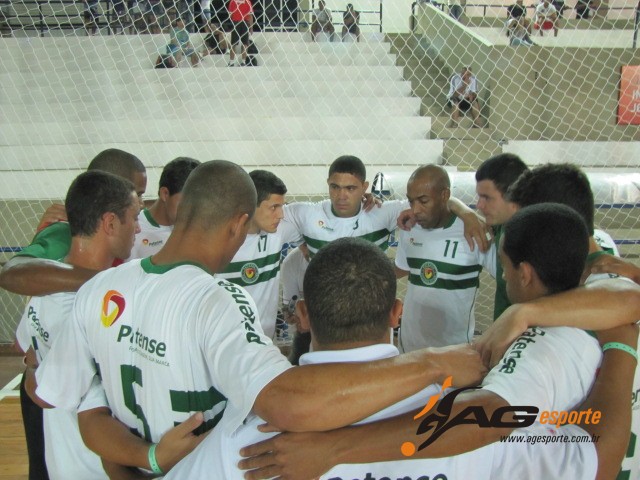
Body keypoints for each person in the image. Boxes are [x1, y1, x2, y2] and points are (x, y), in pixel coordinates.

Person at [29, 161, 485, 476]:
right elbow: (286, 403)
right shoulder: (220, 299)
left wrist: (146, 460)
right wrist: (432, 363)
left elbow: (69, 403)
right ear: (237, 224)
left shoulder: (97, 291)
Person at [238, 203, 640, 480]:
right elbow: (594, 459)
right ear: (396, 313)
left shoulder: (252, 438)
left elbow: (490, 413)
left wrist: (335, 448)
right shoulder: (607, 311)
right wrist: (622, 348)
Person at [0, 148, 146, 480]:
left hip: (62, 462)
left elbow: (28, 358)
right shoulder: (92, 307)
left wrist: (37, 370)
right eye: (135, 216)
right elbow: (47, 396)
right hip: (92, 466)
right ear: (110, 222)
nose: (139, 229)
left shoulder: (42, 291)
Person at [395, 165, 493, 351]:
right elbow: (400, 267)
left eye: (423, 201)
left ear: (444, 195)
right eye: (411, 201)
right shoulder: (410, 229)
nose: (415, 209)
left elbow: (505, 279)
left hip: (452, 354)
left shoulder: (472, 230)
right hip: (408, 348)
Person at [216, 170, 301, 339]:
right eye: (274, 207)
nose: (281, 214)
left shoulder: (278, 230)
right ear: (249, 205)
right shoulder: (218, 241)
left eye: (282, 206)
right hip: (224, 342)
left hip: (265, 342)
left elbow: (317, 223)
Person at [475, 153, 529, 320]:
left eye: (487, 198)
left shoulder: (542, 238)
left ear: (513, 195)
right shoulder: (502, 224)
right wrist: (460, 209)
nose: (479, 205)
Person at [126, 157, 200, 261]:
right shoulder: (135, 229)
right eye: (186, 203)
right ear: (165, 194)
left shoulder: (198, 230)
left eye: (198, 204)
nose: (191, 211)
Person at [280, 243, 310, 364]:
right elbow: (289, 307)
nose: (305, 248)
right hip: (308, 333)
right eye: (302, 243)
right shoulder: (292, 261)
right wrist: (292, 316)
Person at [228, 0, 254, 66]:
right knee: (245, 43)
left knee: (233, 43)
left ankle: (231, 62)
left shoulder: (233, 1)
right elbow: (250, 15)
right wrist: (251, 28)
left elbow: (230, 14)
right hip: (245, 22)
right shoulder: (247, 1)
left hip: (236, 22)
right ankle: (243, 61)